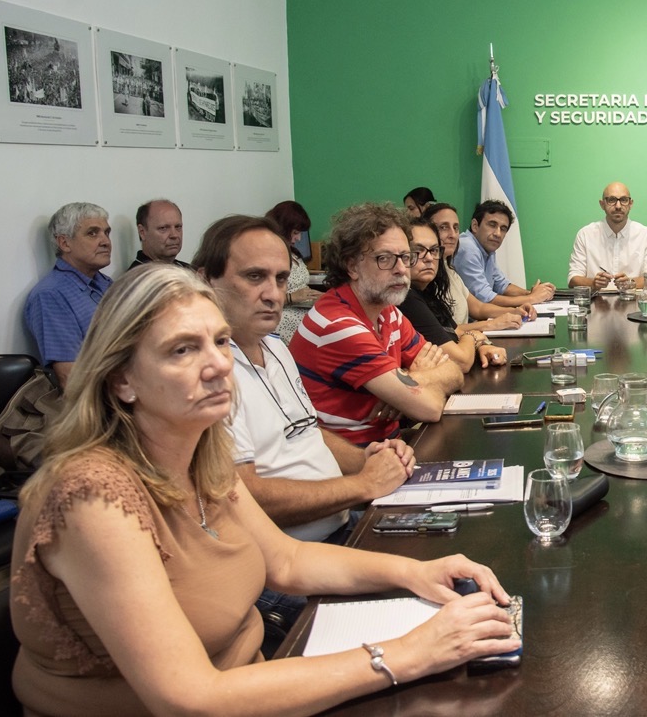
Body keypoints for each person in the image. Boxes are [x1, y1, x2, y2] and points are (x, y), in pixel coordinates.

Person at [9, 264, 518, 716]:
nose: (218, 365)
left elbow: (288, 562)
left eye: (220, 341)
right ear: (122, 380)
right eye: (183, 349)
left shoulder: (198, 450)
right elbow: (190, 699)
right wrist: (407, 655)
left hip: (256, 680)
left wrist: (417, 572)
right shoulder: (92, 497)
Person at [194, 215, 417, 653]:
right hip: (281, 566)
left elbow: (309, 433)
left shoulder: (276, 347)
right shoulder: (210, 375)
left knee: (454, 568)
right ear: (205, 279)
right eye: (254, 277)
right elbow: (247, 495)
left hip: (339, 528)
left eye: (280, 279)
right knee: (414, 628)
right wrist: (362, 485)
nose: (273, 294)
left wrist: (372, 459)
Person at [289, 202, 464, 444]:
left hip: (389, 446)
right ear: (352, 266)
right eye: (385, 259)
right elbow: (430, 408)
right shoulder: (339, 325)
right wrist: (410, 388)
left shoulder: (387, 311)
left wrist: (413, 379)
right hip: (355, 460)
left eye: (405, 257)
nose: (401, 269)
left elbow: (454, 371)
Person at [398, 217, 509, 373]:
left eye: (434, 250)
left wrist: (481, 344)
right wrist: (473, 336)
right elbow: (461, 361)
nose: (429, 258)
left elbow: (455, 331)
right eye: (418, 251)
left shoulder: (428, 291)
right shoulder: (406, 298)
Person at [24, 202, 114, 388]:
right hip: (103, 396)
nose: (105, 241)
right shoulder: (51, 296)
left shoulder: (107, 283)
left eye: (106, 232)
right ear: (64, 243)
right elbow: (70, 377)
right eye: (92, 233)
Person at [423, 202, 534, 336]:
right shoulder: (426, 276)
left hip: (466, 339)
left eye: (456, 228)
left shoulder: (448, 269)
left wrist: (516, 311)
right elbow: (444, 330)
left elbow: (478, 307)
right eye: (443, 227)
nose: (452, 235)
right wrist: (492, 323)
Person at [453, 199, 556, 308]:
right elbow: (485, 298)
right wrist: (532, 298)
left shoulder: (487, 249)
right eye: (492, 225)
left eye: (503, 229)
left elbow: (502, 285)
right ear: (475, 225)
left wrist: (533, 293)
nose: (498, 234)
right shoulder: (467, 247)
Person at [568, 181, 647, 290]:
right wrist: (593, 283)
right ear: (602, 204)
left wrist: (630, 283)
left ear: (630, 204)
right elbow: (573, 279)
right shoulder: (585, 234)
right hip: (596, 299)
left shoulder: (646, 235)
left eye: (623, 200)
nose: (618, 206)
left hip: (633, 299)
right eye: (612, 200)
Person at [265, 199, 323, 343]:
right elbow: (263, 301)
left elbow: (301, 289)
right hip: (285, 319)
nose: (299, 238)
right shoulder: (269, 256)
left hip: (305, 312)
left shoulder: (292, 252)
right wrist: (291, 297)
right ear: (282, 228)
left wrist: (319, 296)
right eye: (296, 232)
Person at [128, 198, 190, 269]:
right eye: (163, 228)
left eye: (178, 227)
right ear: (142, 232)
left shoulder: (190, 270)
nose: (174, 235)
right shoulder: (138, 275)